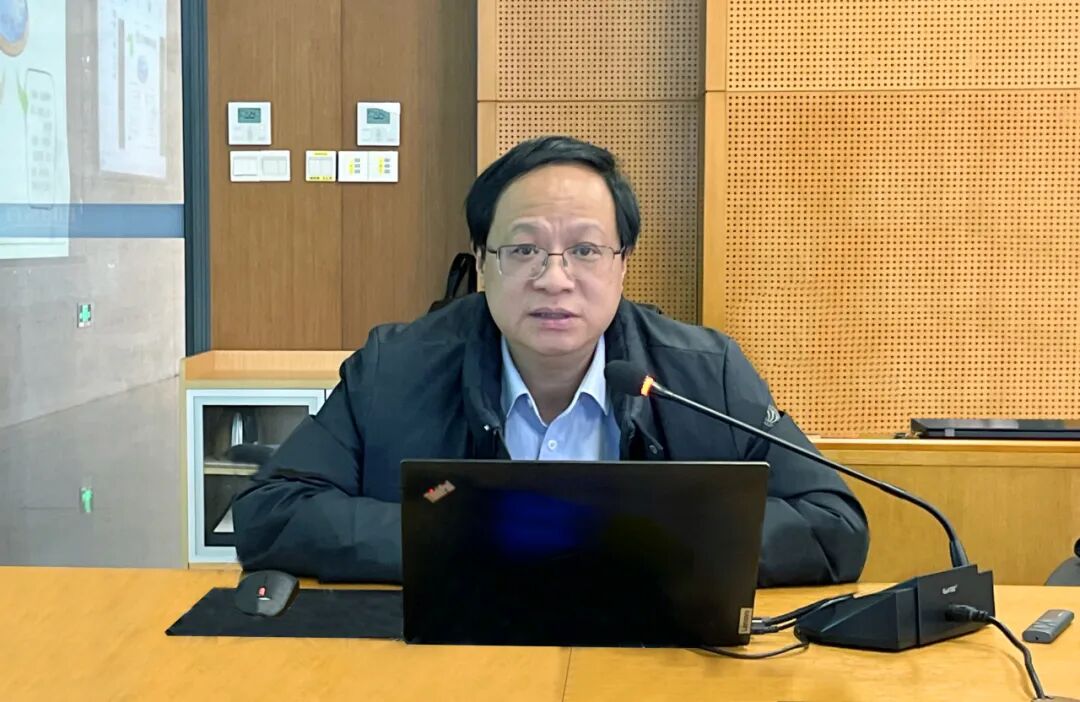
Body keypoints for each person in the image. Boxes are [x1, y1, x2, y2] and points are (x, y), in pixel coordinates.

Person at [233, 136, 869, 586]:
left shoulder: (704, 373)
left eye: (585, 251)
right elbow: (272, 513)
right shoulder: (394, 369)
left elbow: (832, 524)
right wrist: (472, 537)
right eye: (524, 250)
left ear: (622, 264)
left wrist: (631, 539)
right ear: (483, 264)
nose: (554, 279)